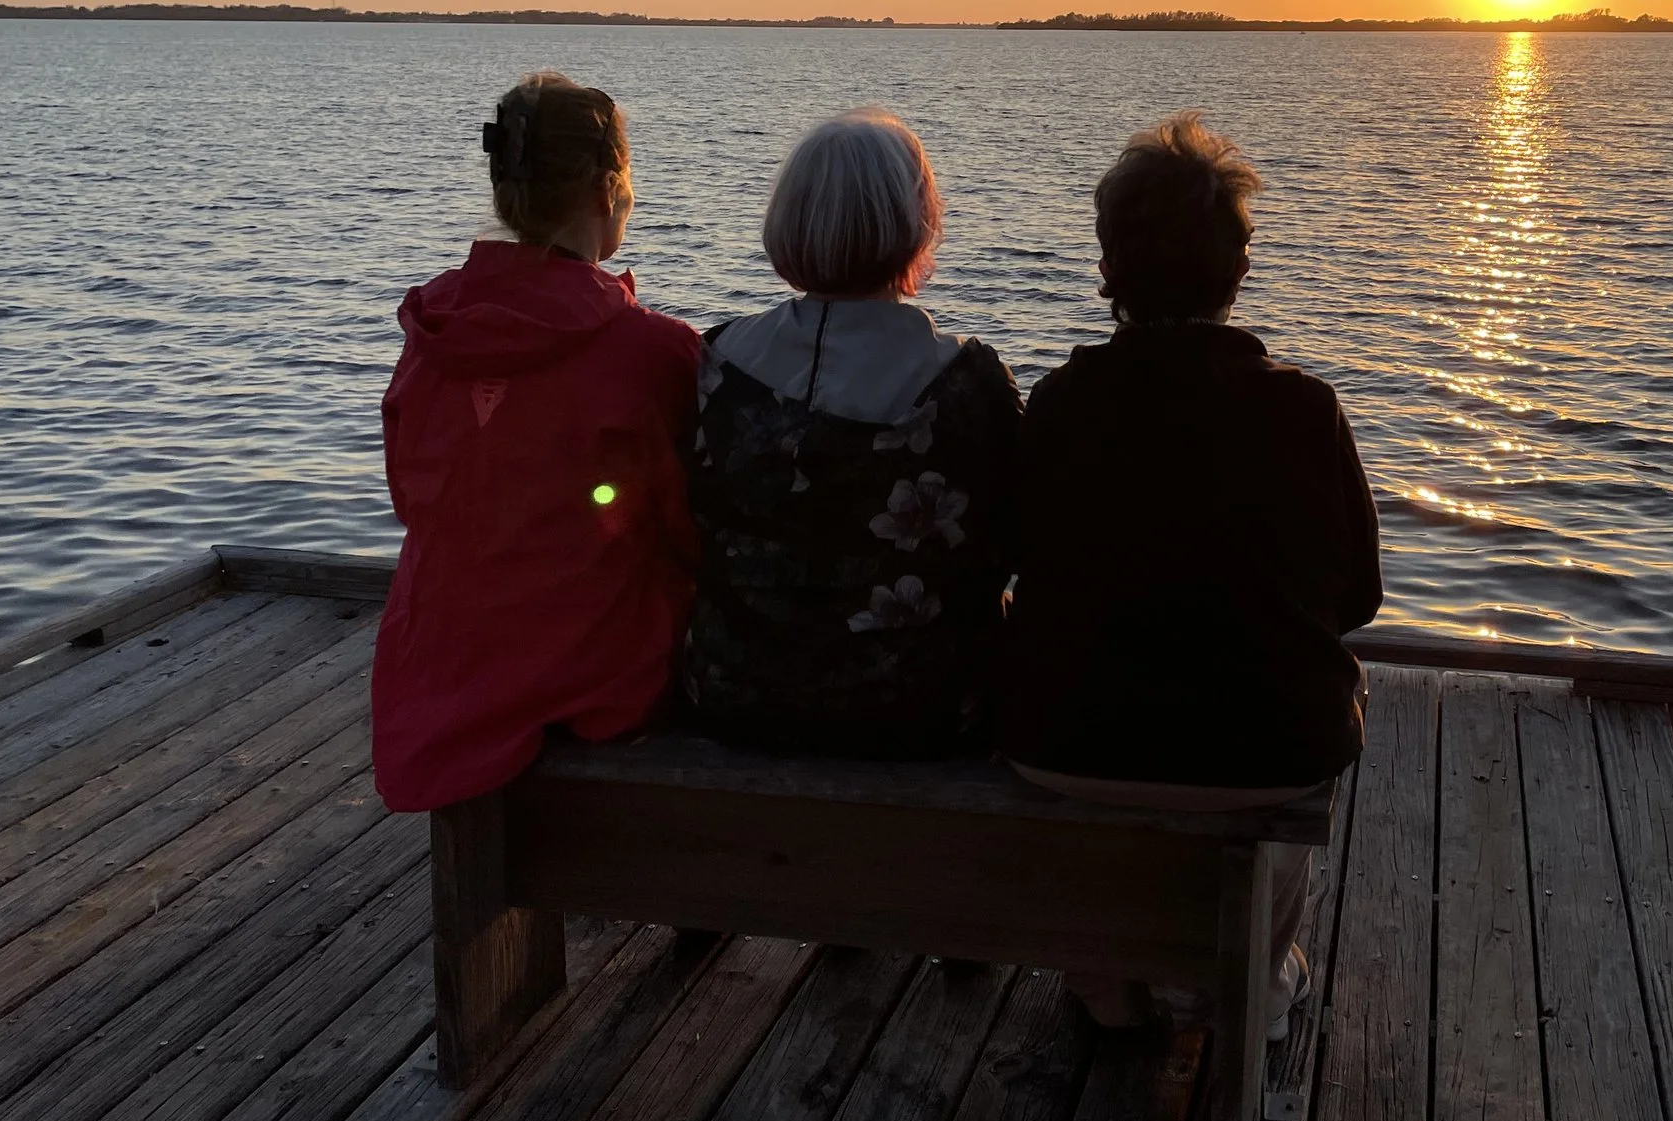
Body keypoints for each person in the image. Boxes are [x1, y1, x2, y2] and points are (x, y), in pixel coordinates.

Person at [1000, 111, 1383, 1037]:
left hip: (1066, 742)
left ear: (1107, 271)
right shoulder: (1306, 410)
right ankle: (1252, 975)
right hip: (1266, 751)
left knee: (1099, 732)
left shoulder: (1056, 404)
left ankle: (1104, 976)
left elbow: (1016, 561)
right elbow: (1359, 596)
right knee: (1311, 714)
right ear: (1239, 270)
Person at [371, 71, 703, 813]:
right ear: (608, 190)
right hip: (596, 677)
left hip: (438, 672)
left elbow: (410, 497)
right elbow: (690, 530)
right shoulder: (653, 353)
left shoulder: (431, 338)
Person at [681, 108, 1023, 757]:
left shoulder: (716, 364)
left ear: (789, 219)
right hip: (921, 711)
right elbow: (1009, 543)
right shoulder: (970, 383)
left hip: (732, 696)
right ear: (917, 224)